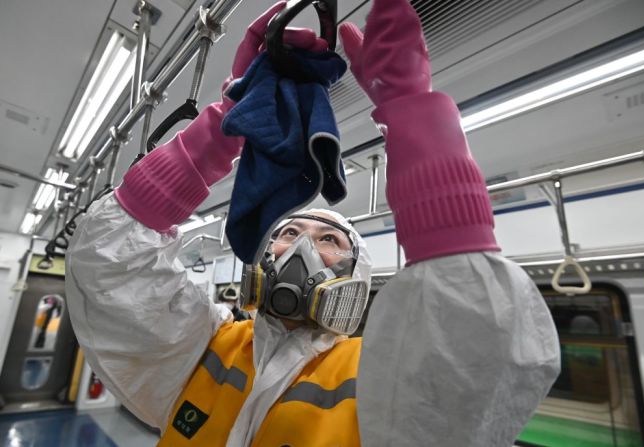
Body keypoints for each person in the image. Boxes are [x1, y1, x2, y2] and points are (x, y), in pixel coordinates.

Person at [65, 0, 561, 445]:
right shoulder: (204, 346)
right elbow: (110, 272)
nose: (301, 250)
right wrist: (226, 123)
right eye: (286, 234)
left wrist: (413, 115)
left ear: (355, 275)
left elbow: (477, 353)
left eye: (328, 239)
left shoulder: (376, 379)